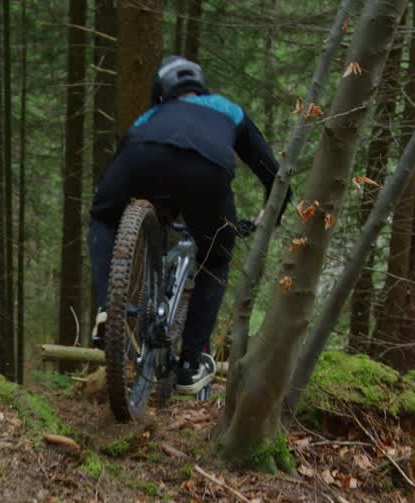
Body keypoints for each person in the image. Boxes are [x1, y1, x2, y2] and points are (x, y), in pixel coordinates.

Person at [89, 55, 290, 395]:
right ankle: (189, 364)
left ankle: (109, 309)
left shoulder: (150, 116)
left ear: (161, 92)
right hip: (206, 169)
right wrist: (268, 216)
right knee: (214, 259)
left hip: (142, 154)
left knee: (102, 216)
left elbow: (122, 163)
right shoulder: (228, 109)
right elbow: (275, 176)